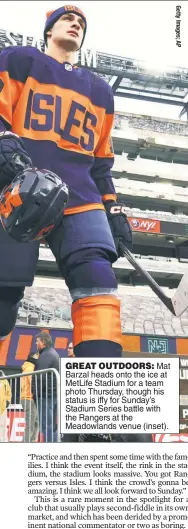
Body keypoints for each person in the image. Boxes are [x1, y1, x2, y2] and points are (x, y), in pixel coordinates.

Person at [0, 4, 132, 360]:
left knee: (98, 282)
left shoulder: (101, 91)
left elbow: (102, 161)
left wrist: (113, 207)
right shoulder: (17, 60)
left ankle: (101, 391)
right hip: (18, 182)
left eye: (80, 23)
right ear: (48, 30)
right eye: (67, 19)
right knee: (4, 289)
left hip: (80, 193)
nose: (75, 24)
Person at [32, 331, 60, 442]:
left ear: (43, 342)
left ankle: (50, 449)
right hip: (51, 395)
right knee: (50, 425)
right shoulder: (52, 353)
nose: (36, 343)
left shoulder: (46, 355)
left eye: (37, 341)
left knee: (46, 426)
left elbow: (40, 377)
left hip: (45, 396)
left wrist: (35, 395)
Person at [20, 352, 39, 442]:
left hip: (30, 399)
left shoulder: (29, 367)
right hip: (29, 399)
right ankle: (26, 445)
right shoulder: (30, 368)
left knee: (35, 423)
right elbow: (33, 383)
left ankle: (32, 442)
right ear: (32, 357)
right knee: (30, 425)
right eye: (37, 356)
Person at [0, 370, 11, 442]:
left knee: (2, 425)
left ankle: (3, 440)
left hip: (2, 407)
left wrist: (7, 401)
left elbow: (8, 392)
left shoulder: (4, 381)